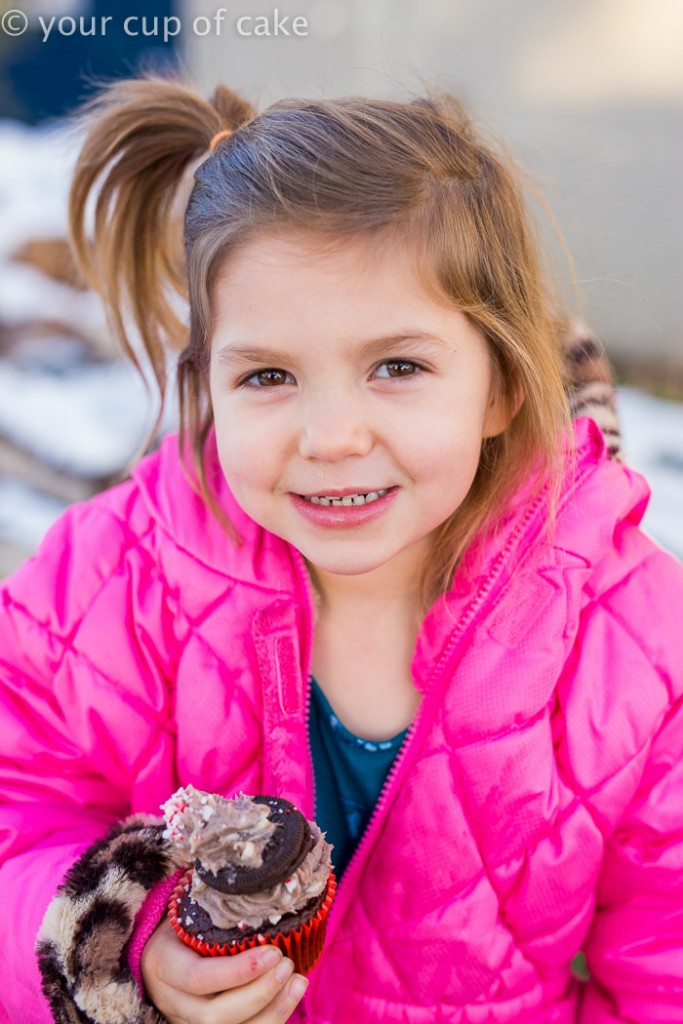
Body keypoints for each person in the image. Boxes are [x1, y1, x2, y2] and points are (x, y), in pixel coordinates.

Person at [0, 75, 681, 1024]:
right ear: (207, 387)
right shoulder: (109, 583)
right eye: (268, 375)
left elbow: (665, 963)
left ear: (500, 385)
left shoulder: (635, 643)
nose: (330, 435)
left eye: (395, 367)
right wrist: (122, 949)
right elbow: (17, 814)